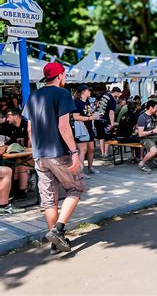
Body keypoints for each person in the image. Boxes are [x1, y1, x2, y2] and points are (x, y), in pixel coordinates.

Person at [23, 62, 85, 254]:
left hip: (40, 155)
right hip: (59, 152)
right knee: (75, 188)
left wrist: (34, 151)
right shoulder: (62, 94)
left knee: (49, 199)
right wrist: (74, 152)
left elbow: (30, 129)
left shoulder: (33, 96)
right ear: (59, 75)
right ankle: (58, 230)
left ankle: (54, 244)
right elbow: (64, 127)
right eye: (64, 74)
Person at [72, 85, 101, 176]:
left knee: (91, 149)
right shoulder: (76, 102)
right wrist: (91, 118)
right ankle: (80, 172)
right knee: (83, 150)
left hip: (89, 127)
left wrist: (95, 115)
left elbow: (88, 113)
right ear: (83, 92)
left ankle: (90, 167)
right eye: (88, 90)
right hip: (81, 129)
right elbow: (76, 117)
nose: (90, 92)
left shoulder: (87, 101)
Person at [5, 108, 31, 199]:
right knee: (16, 163)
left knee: (20, 165)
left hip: (31, 155)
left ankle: (20, 191)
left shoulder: (27, 124)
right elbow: (7, 142)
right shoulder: (9, 127)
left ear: (16, 116)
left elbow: (31, 142)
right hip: (18, 155)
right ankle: (16, 190)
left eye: (8, 116)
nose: (7, 119)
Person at [136, 100, 157, 173]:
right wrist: (153, 131)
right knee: (154, 150)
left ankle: (156, 160)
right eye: (156, 107)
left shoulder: (153, 115)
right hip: (144, 138)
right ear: (151, 107)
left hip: (154, 136)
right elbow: (140, 134)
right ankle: (142, 163)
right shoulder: (142, 117)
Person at [96, 86, 122, 159]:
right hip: (105, 120)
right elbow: (111, 112)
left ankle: (102, 153)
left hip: (98, 119)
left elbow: (97, 105)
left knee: (101, 137)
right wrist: (112, 123)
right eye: (119, 93)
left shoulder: (104, 96)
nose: (119, 95)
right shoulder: (112, 100)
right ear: (116, 92)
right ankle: (106, 154)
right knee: (108, 137)